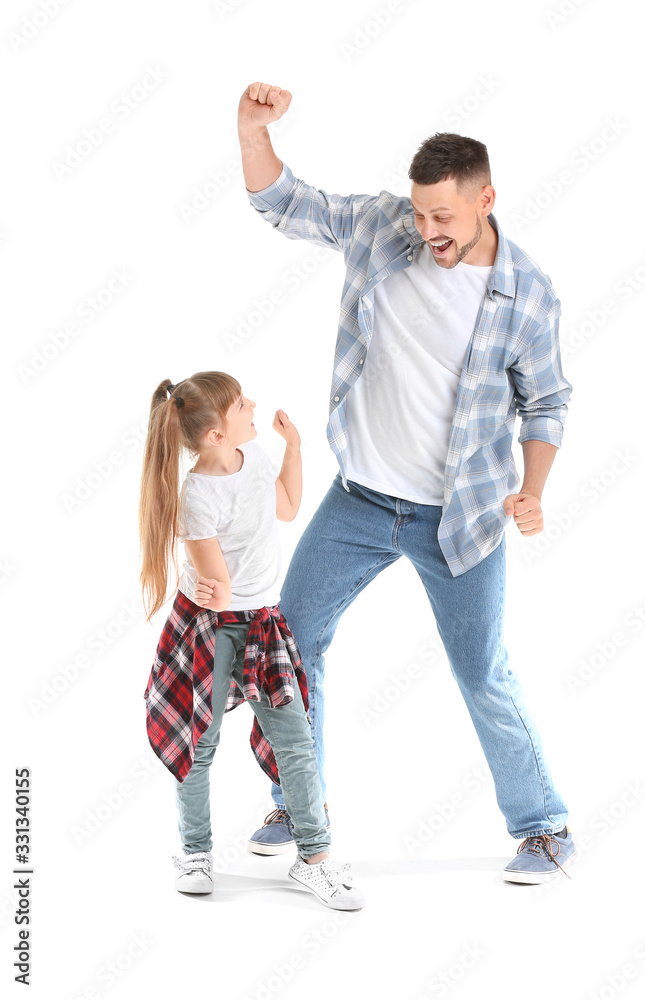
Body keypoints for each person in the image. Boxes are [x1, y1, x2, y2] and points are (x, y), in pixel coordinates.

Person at [237, 82, 577, 885]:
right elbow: (283, 202)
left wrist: (532, 489)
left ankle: (544, 826)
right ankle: (299, 802)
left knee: (479, 667)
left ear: (485, 198)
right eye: (421, 214)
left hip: (458, 518)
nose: (428, 232)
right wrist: (251, 131)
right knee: (291, 643)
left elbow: (548, 401)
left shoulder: (526, 293)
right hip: (358, 499)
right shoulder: (385, 227)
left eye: (444, 218)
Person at [139, 371, 365, 909]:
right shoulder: (196, 497)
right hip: (213, 629)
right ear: (216, 434)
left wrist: (294, 449)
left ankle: (315, 859)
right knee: (200, 740)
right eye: (242, 405)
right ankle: (196, 852)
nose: (254, 405)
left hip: (262, 623)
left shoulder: (256, 457)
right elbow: (218, 596)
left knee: (296, 739)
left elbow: (286, 507)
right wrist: (213, 586)